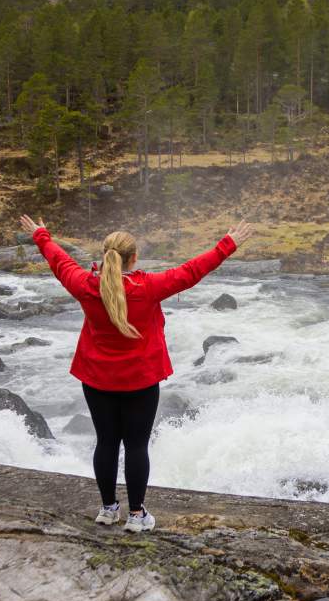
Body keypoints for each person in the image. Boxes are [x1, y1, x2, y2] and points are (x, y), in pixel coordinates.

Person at [20, 215, 253, 533]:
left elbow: (60, 262)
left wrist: (41, 235)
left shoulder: (86, 285)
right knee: (136, 446)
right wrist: (228, 244)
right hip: (141, 381)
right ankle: (136, 515)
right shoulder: (149, 287)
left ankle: (107, 510)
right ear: (134, 258)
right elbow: (191, 272)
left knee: (106, 442)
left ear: (105, 257)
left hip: (97, 380)